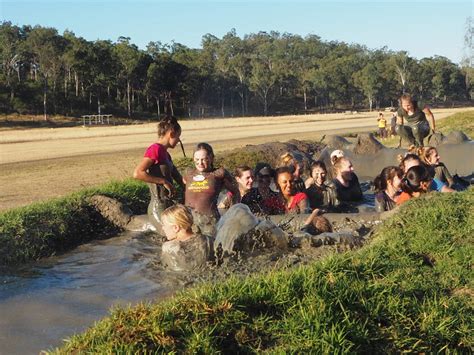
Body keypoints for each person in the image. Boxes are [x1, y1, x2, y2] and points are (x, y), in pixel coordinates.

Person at [133, 115, 185, 231]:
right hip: (159, 206)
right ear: (171, 133)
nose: (179, 141)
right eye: (178, 137)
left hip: (168, 204)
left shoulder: (166, 154)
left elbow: (179, 179)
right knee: (169, 234)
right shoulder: (155, 149)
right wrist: (163, 181)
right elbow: (138, 173)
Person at [184, 142, 240, 230]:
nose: (200, 163)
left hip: (210, 222)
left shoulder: (219, 173)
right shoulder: (188, 174)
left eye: (204, 159)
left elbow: (236, 191)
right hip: (189, 222)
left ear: (211, 158)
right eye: (197, 159)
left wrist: (232, 213)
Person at [160, 204, 212, 271]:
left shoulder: (168, 247)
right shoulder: (207, 239)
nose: (163, 228)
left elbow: (165, 267)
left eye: (164, 225)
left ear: (176, 228)